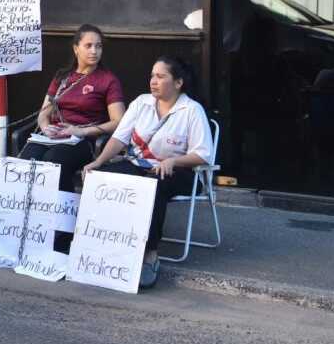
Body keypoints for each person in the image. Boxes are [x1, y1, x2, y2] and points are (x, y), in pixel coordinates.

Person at [83, 56, 213, 289]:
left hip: (180, 172)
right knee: (101, 178)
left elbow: (203, 154)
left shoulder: (192, 110)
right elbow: (119, 138)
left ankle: (149, 254)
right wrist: (98, 162)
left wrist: (173, 160)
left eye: (161, 76)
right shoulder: (141, 103)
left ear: (178, 83)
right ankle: (101, 246)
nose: (153, 81)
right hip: (140, 164)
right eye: (152, 75)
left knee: (153, 185)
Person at [19, 24, 125, 193]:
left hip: (84, 140)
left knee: (53, 160)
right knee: (28, 159)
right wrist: (46, 128)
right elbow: (43, 114)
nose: (94, 51)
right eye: (88, 46)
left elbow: (119, 122)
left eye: (98, 46)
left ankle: (62, 207)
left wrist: (81, 131)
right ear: (76, 49)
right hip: (54, 136)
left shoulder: (108, 80)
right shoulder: (62, 76)